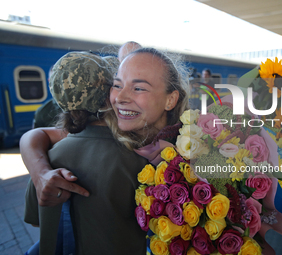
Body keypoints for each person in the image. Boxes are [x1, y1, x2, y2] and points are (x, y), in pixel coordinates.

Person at [21, 47, 190, 254]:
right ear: (106, 93)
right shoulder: (144, 162)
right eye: (117, 85)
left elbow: (37, 223)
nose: (121, 96)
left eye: (139, 88)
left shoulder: (48, 160)